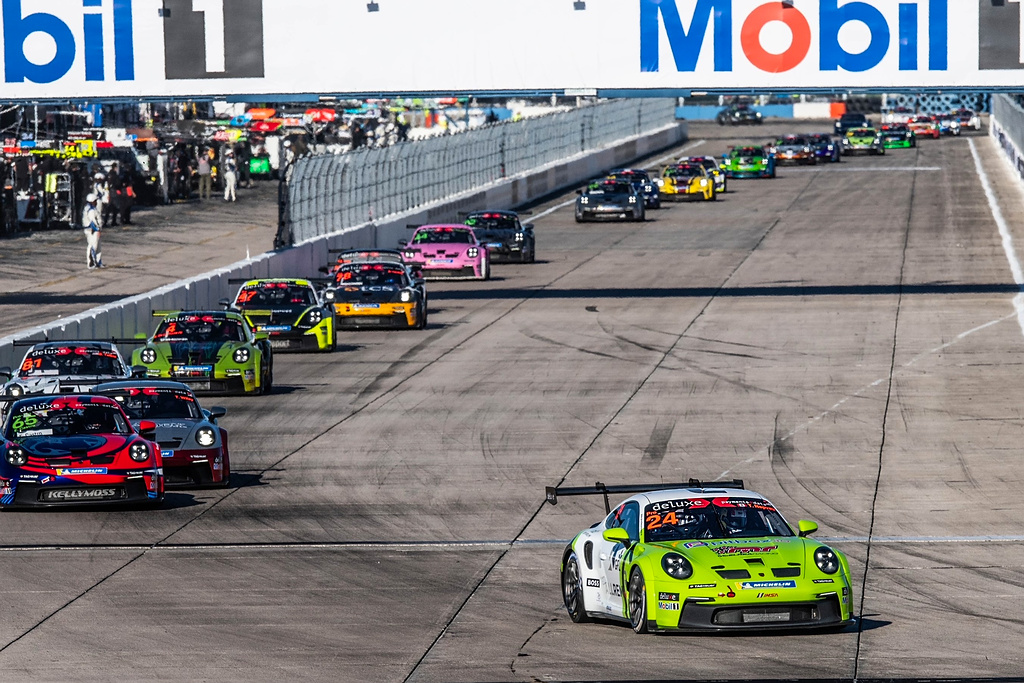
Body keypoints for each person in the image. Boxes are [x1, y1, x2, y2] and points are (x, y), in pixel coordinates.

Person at [82, 193, 103, 269]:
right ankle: (91, 263)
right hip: (92, 230)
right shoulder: (90, 210)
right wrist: (97, 229)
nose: (96, 202)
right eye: (95, 201)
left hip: (94, 230)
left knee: (98, 247)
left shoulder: (90, 208)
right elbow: (92, 222)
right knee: (93, 246)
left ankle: (98, 261)